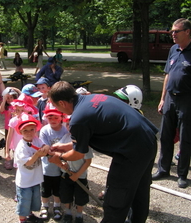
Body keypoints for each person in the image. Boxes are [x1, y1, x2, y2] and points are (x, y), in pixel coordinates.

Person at [47, 81, 158, 223]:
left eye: (56, 106)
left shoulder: (78, 119)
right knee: (139, 190)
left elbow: (78, 155)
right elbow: (84, 140)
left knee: (116, 197)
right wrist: (63, 147)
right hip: (148, 140)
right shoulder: (92, 98)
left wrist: (59, 156)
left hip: (131, 152)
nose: (59, 111)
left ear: (62, 103)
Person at [152, 18, 191, 189]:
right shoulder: (173, 49)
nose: (172, 34)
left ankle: (182, 174)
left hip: (187, 100)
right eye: (172, 31)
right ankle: (163, 169)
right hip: (170, 99)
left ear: (187, 31)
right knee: (165, 136)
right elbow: (167, 75)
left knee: (185, 139)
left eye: (176, 31)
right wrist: (162, 99)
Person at [14, 113, 49, 223]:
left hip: (35, 178)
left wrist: (46, 148)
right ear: (20, 132)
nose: (29, 133)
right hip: (24, 181)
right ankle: (22, 219)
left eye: (31, 129)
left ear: (35, 130)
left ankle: (30, 215)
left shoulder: (36, 140)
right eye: (25, 130)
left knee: (34, 199)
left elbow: (44, 146)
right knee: (24, 200)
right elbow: (28, 163)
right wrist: (37, 154)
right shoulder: (21, 147)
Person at [58, 115, 93, 223]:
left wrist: (77, 175)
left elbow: (88, 161)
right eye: (68, 124)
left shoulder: (84, 141)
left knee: (80, 197)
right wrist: (62, 162)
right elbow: (60, 154)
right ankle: (68, 213)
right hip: (66, 173)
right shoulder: (64, 138)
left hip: (80, 175)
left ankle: (79, 215)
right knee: (66, 194)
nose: (70, 126)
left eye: (73, 124)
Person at [39, 104, 67, 221]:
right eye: (50, 118)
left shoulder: (66, 130)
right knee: (45, 189)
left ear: (61, 117)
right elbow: (45, 148)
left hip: (61, 167)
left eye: (56, 117)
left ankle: (57, 206)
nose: (53, 120)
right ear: (46, 118)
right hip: (46, 167)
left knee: (58, 189)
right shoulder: (44, 130)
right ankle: (44, 206)